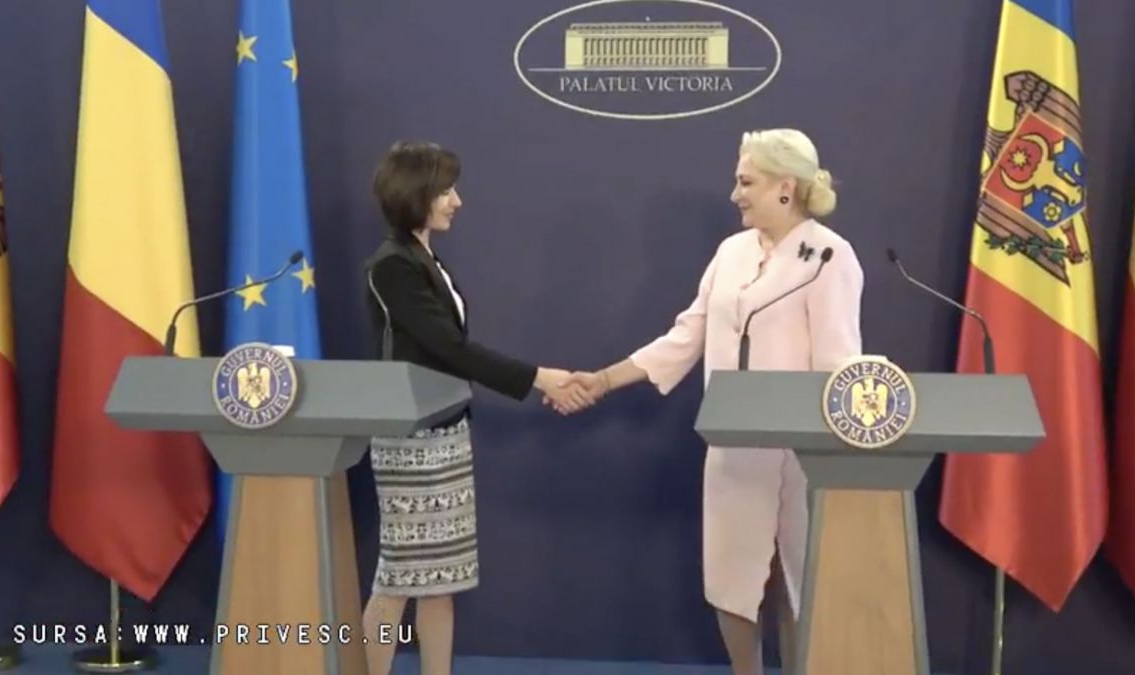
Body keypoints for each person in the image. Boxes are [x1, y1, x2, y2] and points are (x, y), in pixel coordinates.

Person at [559, 128, 864, 675]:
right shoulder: (731, 252)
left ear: (786, 187)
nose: (734, 194)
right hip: (733, 449)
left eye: (746, 182)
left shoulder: (829, 256)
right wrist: (603, 380)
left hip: (803, 453)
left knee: (801, 581)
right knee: (731, 581)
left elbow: (838, 363)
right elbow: (687, 335)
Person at [360, 141, 589, 675]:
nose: (457, 201)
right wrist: (538, 377)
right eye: (446, 191)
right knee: (399, 580)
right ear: (416, 194)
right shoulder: (392, 265)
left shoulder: (424, 259)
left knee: (441, 581)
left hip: (445, 433)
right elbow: (449, 348)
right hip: (410, 441)